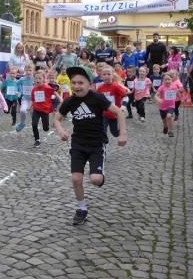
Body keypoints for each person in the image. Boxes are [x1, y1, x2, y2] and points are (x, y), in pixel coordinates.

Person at [54, 66, 126, 225]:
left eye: (81, 83)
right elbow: (57, 118)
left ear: (89, 84)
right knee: (76, 178)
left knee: (95, 180)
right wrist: (61, 131)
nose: (76, 86)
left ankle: (99, 175)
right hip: (78, 145)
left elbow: (119, 112)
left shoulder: (97, 98)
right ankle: (82, 209)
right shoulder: (70, 101)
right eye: (73, 83)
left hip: (96, 145)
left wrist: (123, 134)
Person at [96, 65, 130, 137]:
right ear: (101, 77)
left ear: (112, 76)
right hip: (104, 114)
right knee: (102, 131)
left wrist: (122, 108)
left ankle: (121, 131)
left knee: (115, 133)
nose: (106, 76)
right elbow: (98, 101)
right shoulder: (99, 88)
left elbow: (126, 97)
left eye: (109, 74)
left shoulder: (116, 86)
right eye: (104, 74)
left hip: (114, 115)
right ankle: (103, 142)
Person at [30, 70, 57, 147]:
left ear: (43, 79)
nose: (38, 80)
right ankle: (37, 139)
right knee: (34, 124)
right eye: (36, 78)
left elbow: (54, 92)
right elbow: (32, 99)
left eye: (40, 78)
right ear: (34, 79)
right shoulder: (34, 89)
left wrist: (59, 98)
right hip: (36, 109)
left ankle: (46, 127)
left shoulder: (46, 87)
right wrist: (30, 106)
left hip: (45, 110)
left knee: (45, 128)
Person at [15, 63, 36, 132]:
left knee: (33, 116)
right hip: (25, 99)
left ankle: (35, 129)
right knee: (22, 110)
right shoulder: (22, 79)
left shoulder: (35, 79)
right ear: (24, 71)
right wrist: (17, 91)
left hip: (33, 101)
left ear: (33, 71)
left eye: (30, 70)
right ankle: (22, 123)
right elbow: (15, 84)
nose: (28, 72)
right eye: (27, 70)